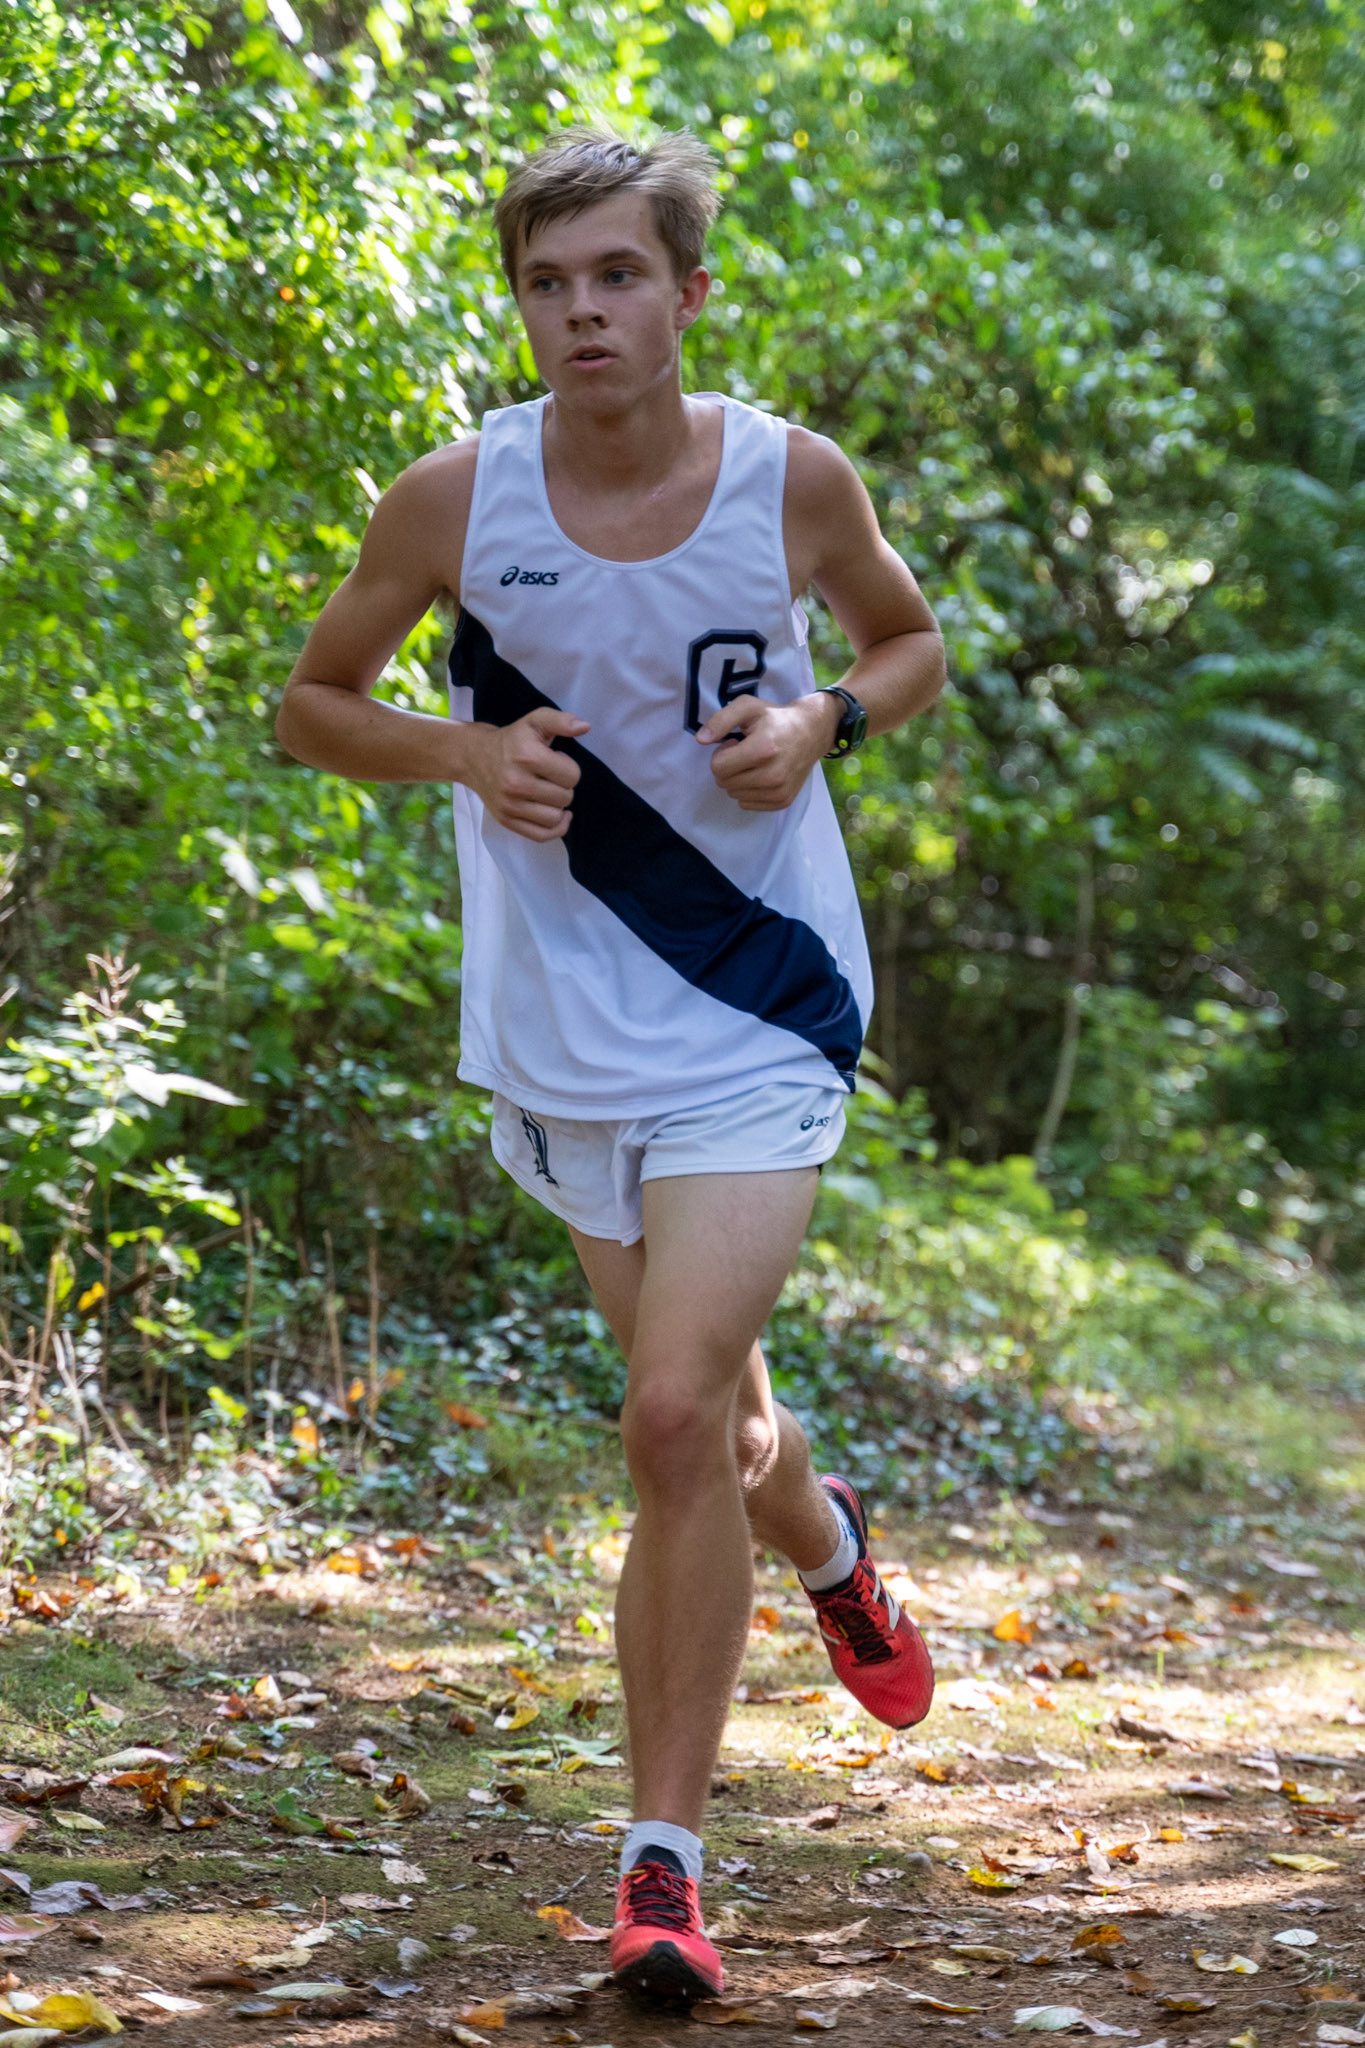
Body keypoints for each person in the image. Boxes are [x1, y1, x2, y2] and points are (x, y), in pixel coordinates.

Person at [276, 125, 944, 2008]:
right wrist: (461, 753)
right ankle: (823, 1541)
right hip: (563, 1029)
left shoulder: (789, 479)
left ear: (687, 293)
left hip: (757, 1002)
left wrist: (825, 721)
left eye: (618, 276)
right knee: (712, 1430)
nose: (582, 312)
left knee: (664, 1418)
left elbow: (908, 641)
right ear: (523, 304)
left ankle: (662, 1870)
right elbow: (310, 704)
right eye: (548, 282)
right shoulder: (452, 500)